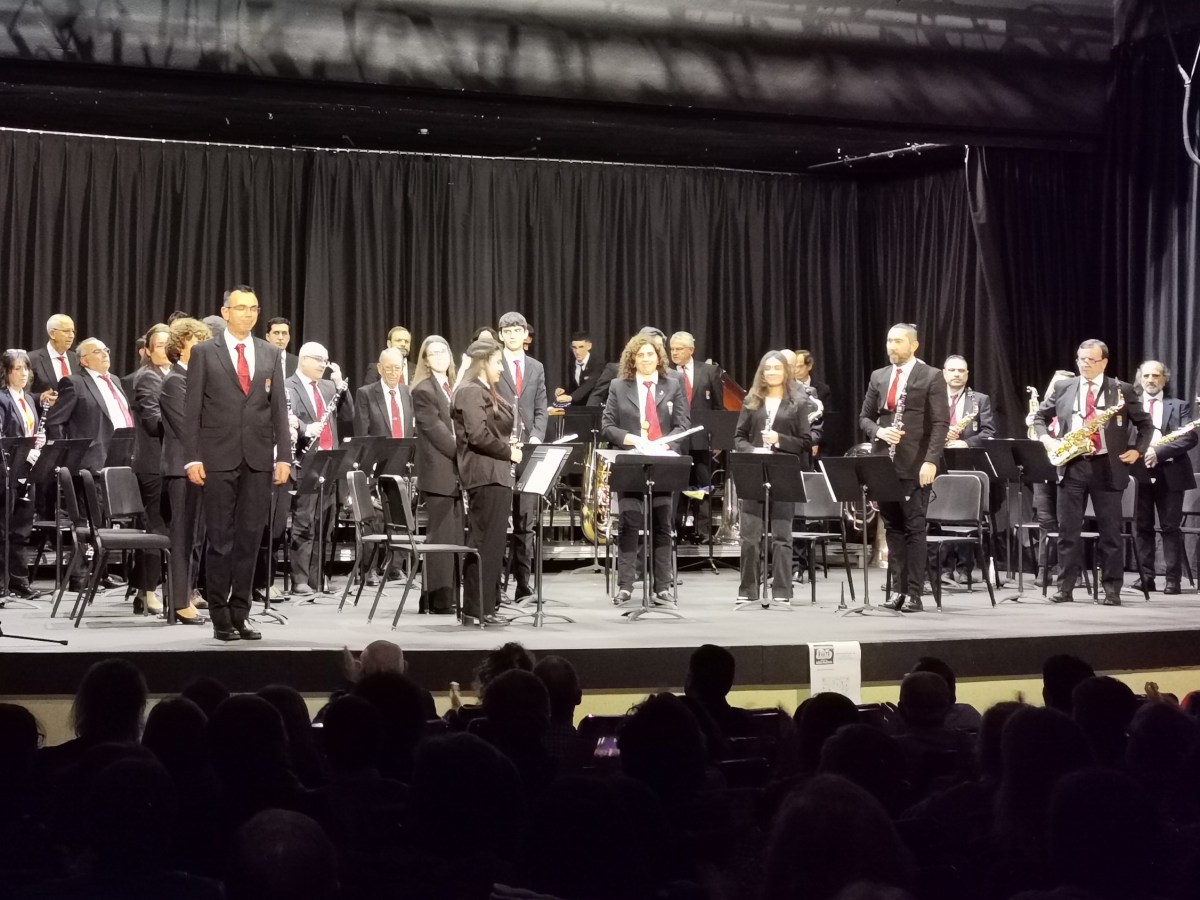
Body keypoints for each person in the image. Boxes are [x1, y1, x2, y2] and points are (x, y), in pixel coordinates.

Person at [182, 285, 292, 641]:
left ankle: (241, 612)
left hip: (258, 458)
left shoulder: (269, 353)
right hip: (217, 458)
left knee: (249, 539)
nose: (248, 314)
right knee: (221, 541)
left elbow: (277, 410)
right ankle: (219, 615)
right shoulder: (204, 352)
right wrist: (192, 457)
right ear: (225, 311)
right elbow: (192, 410)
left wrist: (284, 456)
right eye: (241, 308)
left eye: (254, 308)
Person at [1034, 339, 1152, 606]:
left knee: (1110, 533)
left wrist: (1138, 451)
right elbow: (1039, 417)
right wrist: (1047, 440)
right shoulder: (1064, 386)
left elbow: (1146, 425)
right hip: (1072, 464)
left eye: (1091, 360)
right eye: (1081, 359)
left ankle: (1112, 590)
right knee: (1068, 532)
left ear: (1104, 362)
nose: (1085, 365)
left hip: (1107, 467)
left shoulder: (1121, 389)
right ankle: (1065, 588)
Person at [858, 323, 949, 612]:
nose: (891, 347)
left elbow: (940, 423)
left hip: (915, 463)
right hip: (884, 461)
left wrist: (931, 460)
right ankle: (896, 591)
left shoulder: (932, 376)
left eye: (898, 342)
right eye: (889, 341)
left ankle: (914, 594)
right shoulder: (879, 376)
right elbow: (864, 418)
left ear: (913, 345)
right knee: (893, 529)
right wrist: (878, 432)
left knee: (914, 528)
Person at [601, 332, 691, 607]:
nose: (646, 359)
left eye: (650, 354)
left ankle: (662, 586)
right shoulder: (619, 385)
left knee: (662, 525)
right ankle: (626, 585)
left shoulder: (673, 384)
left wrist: (665, 444)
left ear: (658, 356)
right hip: (631, 462)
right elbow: (608, 426)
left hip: (663, 461)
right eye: (640, 355)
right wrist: (632, 439)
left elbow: (683, 425)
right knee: (629, 523)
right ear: (633, 358)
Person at [734, 350, 812, 607]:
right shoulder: (751, 401)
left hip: (783, 470)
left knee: (782, 535)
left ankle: (782, 590)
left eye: (777, 368)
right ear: (762, 373)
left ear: (785, 372)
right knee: (750, 536)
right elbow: (739, 438)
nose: (772, 372)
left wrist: (780, 439)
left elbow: (805, 442)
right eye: (767, 368)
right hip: (755, 468)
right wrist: (753, 450)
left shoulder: (798, 402)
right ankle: (748, 590)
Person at [453, 337, 522, 626]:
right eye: (497, 363)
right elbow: (477, 435)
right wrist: (509, 451)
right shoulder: (470, 391)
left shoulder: (481, 390)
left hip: (496, 474)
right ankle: (477, 609)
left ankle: (486, 605)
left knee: (492, 544)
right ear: (482, 363)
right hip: (485, 475)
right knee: (485, 543)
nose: (502, 369)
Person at [286, 341, 353, 596]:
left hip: (330, 460)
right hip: (306, 459)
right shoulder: (288, 385)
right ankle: (299, 579)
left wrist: (341, 388)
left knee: (325, 521)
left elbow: (347, 415)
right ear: (303, 359)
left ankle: (317, 578)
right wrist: (305, 429)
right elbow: (285, 417)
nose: (323, 365)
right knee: (304, 521)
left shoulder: (328, 387)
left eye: (326, 360)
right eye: (319, 360)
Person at [158, 318, 210, 624]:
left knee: (196, 538)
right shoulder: (175, 380)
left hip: (203, 469)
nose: (202, 346)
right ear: (180, 346)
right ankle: (177, 601)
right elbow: (188, 427)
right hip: (181, 469)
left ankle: (187, 593)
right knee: (181, 537)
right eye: (196, 340)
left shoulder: (198, 378)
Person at [1130, 360, 1197, 594]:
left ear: (1164, 379)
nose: (1151, 380)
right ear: (1140, 379)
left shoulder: (1179, 406)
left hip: (1170, 472)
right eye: (1146, 375)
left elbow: (1189, 438)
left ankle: (1172, 580)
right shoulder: (1130, 405)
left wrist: (1157, 452)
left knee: (1170, 527)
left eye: (1156, 376)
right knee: (1142, 526)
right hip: (1139, 473)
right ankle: (1146, 577)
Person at [495, 312, 548, 603]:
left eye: (518, 330)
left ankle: (523, 584)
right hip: (500, 450)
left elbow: (541, 406)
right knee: (501, 520)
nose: (514, 335)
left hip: (528, 449)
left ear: (525, 334)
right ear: (501, 334)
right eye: (508, 330)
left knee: (526, 521)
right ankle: (498, 582)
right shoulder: (493, 362)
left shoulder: (536, 367)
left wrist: (537, 437)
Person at [411, 335, 461, 614]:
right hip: (439, 473)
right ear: (426, 360)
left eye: (444, 351)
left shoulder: (453, 386)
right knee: (441, 538)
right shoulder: (424, 389)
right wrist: (467, 454)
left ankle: (442, 596)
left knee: (454, 538)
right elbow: (438, 433)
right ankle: (438, 599)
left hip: (456, 474)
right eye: (433, 353)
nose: (440, 356)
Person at [129, 323, 173, 614]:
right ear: (148, 351)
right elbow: (153, 422)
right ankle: (148, 590)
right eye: (160, 345)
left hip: (170, 462)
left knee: (168, 529)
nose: (166, 349)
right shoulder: (148, 377)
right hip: (153, 464)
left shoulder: (174, 374)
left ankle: (149, 588)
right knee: (156, 529)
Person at [44, 336, 135, 473]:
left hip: (124, 457)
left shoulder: (115, 380)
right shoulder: (74, 383)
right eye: (97, 351)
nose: (105, 354)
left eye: (106, 350)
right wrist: (65, 454)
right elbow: (55, 421)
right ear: (84, 360)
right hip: (92, 462)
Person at [669, 331, 725, 543]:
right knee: (676, 485)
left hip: (702, 440)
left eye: (679, 349)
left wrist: (719, 438)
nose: (674, 353)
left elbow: (719, 407)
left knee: (703, 486)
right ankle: (674, 530)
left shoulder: (709, 371)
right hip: (676, 439)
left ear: (691, 350)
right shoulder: (665, 373)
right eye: (672, 349)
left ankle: (703, 532)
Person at [0, 349, 46, 599]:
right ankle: (2, 583)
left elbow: (30, 430)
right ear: (7, 373)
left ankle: (19, 580)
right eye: (17, 368)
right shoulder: (2, 399)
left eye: (25, 368)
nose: (23, 373)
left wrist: (39, 442)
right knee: (3, 529)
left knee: (22, 530)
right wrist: (24, 449)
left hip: (27, 471)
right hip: (6, 471)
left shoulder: (28, 400)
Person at [1026, 368, 1074, 587]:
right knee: (1046, 522)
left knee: (1069, 522)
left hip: (1069, 470)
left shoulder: (1076, 412)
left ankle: (1071, 570)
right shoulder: (1042, 416)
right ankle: (1044, 570)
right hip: (1044, 471)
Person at [353, 348, 414, 439]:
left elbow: (416, 429)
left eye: (397, 368)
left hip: (407, 451)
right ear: (380, 368)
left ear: (402, 370)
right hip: (378, 452)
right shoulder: (365, 394)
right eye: (388, 368)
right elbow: (362, 436)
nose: (393, 373)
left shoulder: (410, 393)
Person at [941, 355, 996, 448]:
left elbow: (989, 432)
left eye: (961, 370)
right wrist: (942, 433)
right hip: (935, 455)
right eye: (952, 370)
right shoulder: (931, 398)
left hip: (967, 456)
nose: (957, 374)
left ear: (967, 374)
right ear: (944, 373)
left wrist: (967, 443)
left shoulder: (981, 399)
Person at [28, 313, 78, 404]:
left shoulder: (77, 359)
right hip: (47, 415)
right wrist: (40, 398)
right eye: (66, 331)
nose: (72, 336)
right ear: (52, 334)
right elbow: (19, 393)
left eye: (73, 331)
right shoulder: (32, 359)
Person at [553, 331, 604, 406]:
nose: (577, 351)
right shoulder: (572, 364)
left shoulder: (598, 363)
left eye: (581, 347)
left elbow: (590, 385)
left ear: (589, 346)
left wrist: (571, 397)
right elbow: (574, 387)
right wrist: (563, 391)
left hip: (594, 407)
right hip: (577, 407)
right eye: (574, 347)